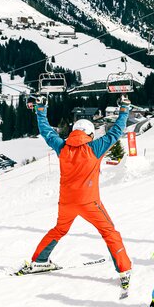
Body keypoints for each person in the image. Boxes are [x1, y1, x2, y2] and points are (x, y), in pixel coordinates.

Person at [27, 99, 132, 293]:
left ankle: (39, 261)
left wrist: (41, 111)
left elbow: (46, 131)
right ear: (90, 134)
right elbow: (116, 131)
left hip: (66, 202)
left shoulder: (62, 147)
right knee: (109, 232)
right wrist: (124, 110)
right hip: (89, 202)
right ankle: (124, 270)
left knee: (59, 229)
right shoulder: (95, 147)